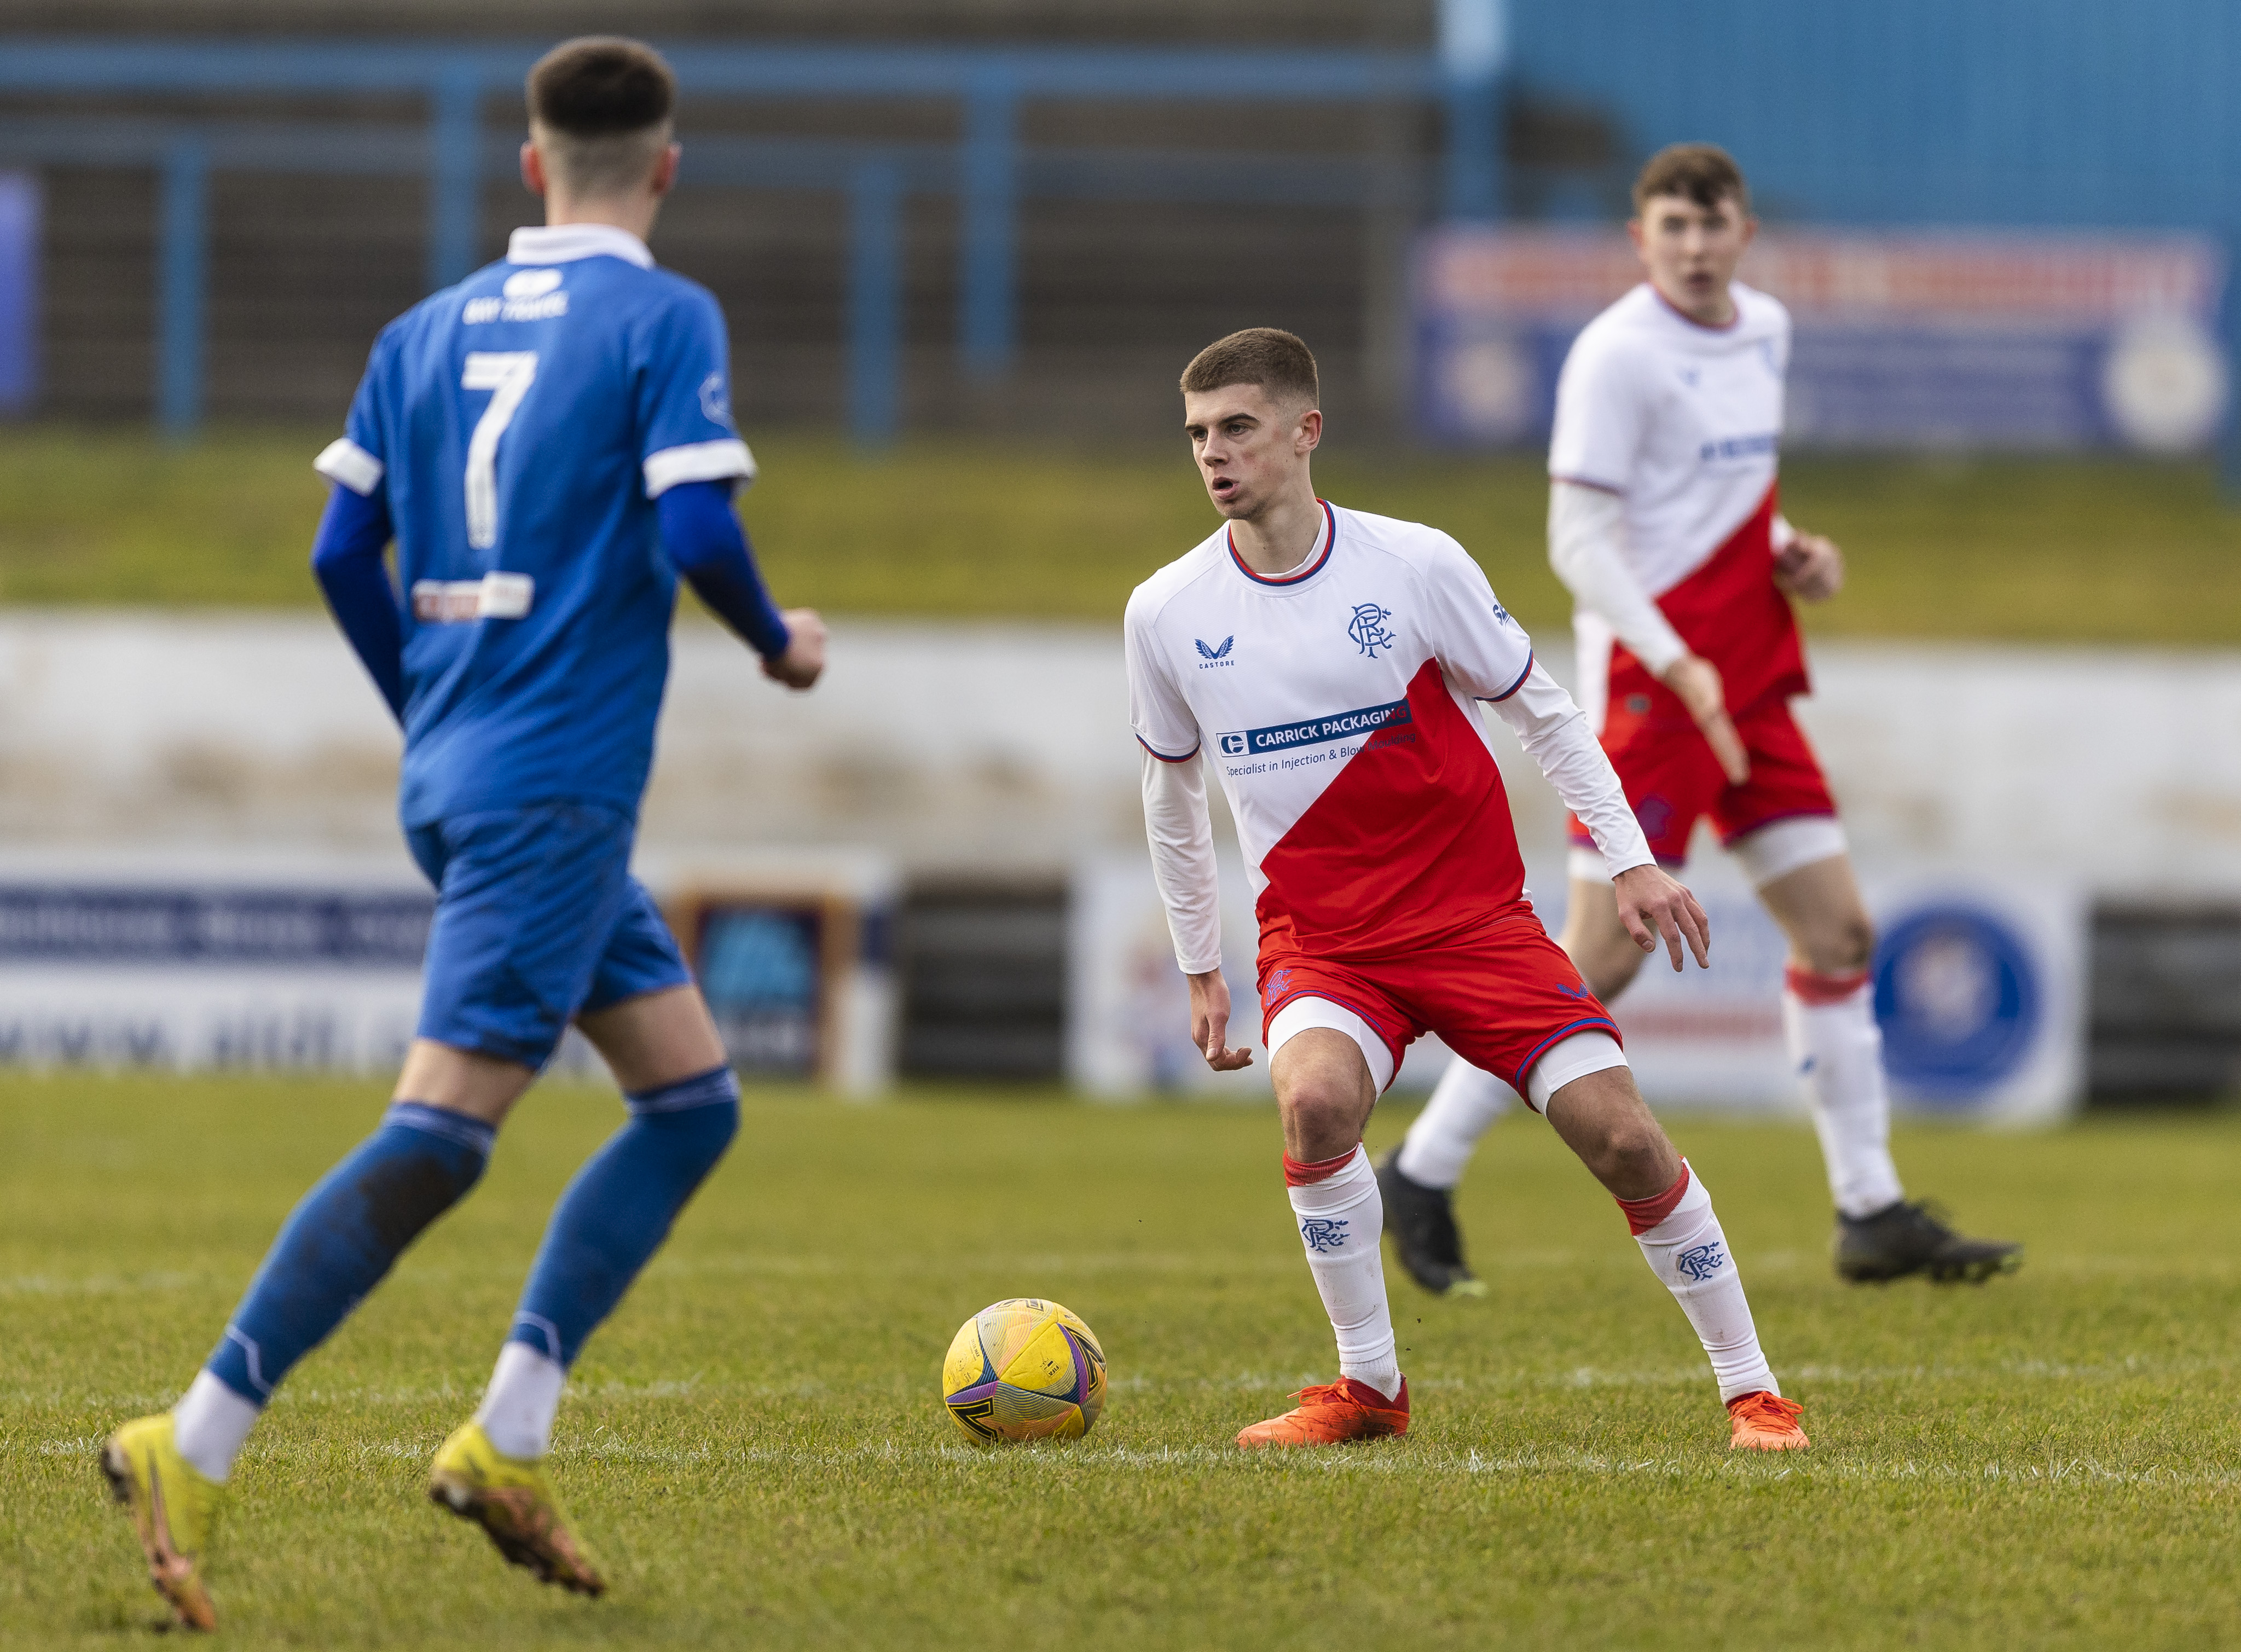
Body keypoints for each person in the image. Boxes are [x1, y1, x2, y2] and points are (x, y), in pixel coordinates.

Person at [99, 38, 826, 1631]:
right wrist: (777, 641)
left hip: (467, 765)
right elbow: (698, 520)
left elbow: (338, 542)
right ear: (669, 167)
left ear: (527, 163)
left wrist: (429, 697)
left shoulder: (420, 331)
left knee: (692, 1101)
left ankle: (507, 1436)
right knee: (439, 1132)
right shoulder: (661, 314)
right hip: (555, 783)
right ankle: (195, 1434)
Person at [1126, 325, 1808, 1455]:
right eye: (1197, 433)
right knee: (1313, 1105)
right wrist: (1200, 962)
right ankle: (1367, 1390)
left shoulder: (1414, 564)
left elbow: (1541, 713)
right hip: (1324, 941)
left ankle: (1753, 1393)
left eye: (1237, 427)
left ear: (1305, 433)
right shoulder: (1164, 609)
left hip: (1475, 924)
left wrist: (1630, 856)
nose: (1213, 453)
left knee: (1624, 1139)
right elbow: (1168, 799)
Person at [1380, 143, 2020, 1298]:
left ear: (1743, 231)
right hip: (1650, 681)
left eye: (1707, 223)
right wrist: (1674, 661)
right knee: (1599, 958)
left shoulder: (1763, 331)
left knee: (1837, 935)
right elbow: (1578, 543)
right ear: (1639, 238)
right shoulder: (1615, 355)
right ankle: (1420, 1168)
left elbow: (1718, 495)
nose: (1688, 244)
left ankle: (1868, 1210)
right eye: (1666, 225)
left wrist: (1787, 549)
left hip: (1749, 670)